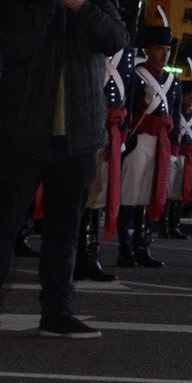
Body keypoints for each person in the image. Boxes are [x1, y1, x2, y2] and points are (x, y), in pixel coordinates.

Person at [0, 0, 130, 340]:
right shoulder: (20, 0)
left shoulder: (100, 1)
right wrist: (45, 1)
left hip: (79, 137)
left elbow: (116, 40)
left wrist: (80, 5)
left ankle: (56, 312)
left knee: (64, 230)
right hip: (23, 135)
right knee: (3, 226)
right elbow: (16, 46)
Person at [115, 19, 182, 269]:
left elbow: (174, 117)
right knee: (130, 193)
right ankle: (126, 248)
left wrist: (174, 148)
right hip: (139, 139)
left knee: (149, 193)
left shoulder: (172, 81)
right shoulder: (135, 76)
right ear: (147, 50)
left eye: (166, 49)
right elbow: (126, 108)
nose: (164, 54)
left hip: (161, 143)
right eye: (159, 49)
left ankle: (143, 246)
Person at [77, 26, 129, 284]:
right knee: (79, 194)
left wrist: (122, 133)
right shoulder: (84, 44)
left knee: (97, 197)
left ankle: (90, 255)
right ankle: (74, 257)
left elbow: (124, 95)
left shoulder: (125, 55)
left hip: (110, 132)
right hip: (85, 125)